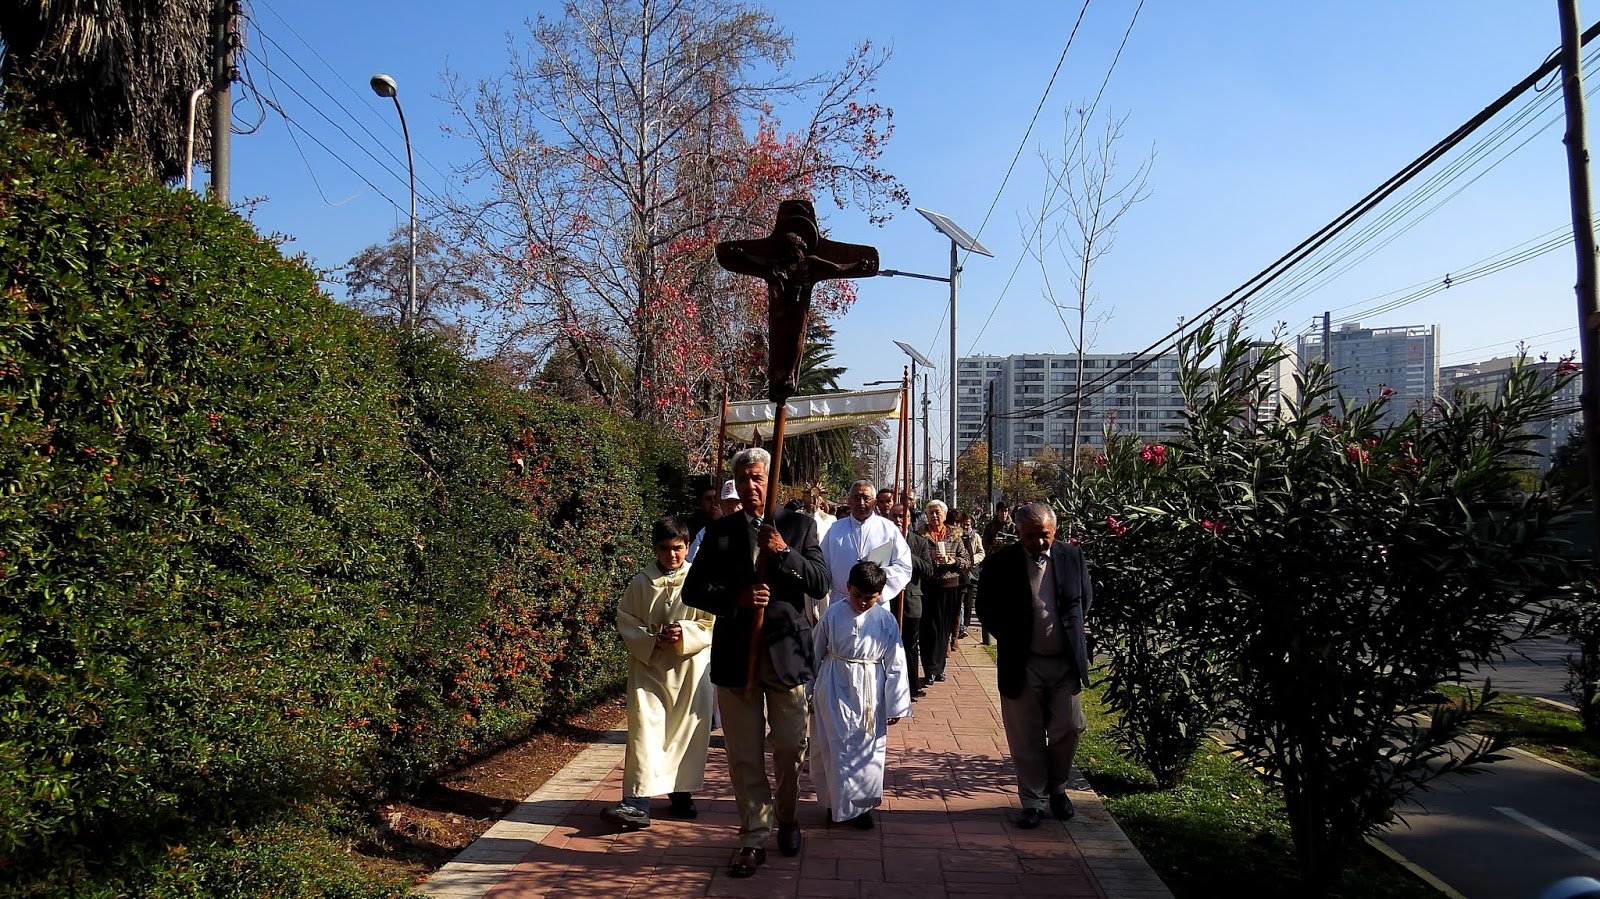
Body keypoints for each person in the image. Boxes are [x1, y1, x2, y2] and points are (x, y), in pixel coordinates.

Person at [682, 447, 829, 879]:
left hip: (786, 655)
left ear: (771, 479)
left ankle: (788, 815)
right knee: (744, 754)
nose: (751, 486)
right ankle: (753, 836)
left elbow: (820, 583)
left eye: (758, 477)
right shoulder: (720, 531)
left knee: (790, 746)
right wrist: (736, 599)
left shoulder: (798, 525)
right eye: (744, 478)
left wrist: (783, 552)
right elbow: (694, 590)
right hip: (736, 658)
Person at [976, 502, 1093, 829]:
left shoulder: (1072, 556)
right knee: (1025, 736)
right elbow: (986, 607)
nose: (1039, 542)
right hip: (1023, 663)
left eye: (1044, 535)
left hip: (1064, 662)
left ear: (1054, 530)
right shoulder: (1000, 562)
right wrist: (1013, 637)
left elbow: (1085, 599)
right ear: (1018, 533)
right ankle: (1033, 800)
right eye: (1030, 536)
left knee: (1069, 726)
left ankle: (1058, 788)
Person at [601, 517, 715, 831]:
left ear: (687, 547)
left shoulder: (701, 580)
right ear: (654, 549)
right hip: (649, 670)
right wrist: (651, 639)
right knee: (645, 733)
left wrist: (685, 632)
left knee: (683, 734)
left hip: (688, 671)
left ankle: (681, 793)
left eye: (677, 548)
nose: (671, 555)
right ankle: (636, 802)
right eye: (664, 548)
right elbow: (626, 620)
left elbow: (711, 623)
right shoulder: (641, 582)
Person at [809, 561, 912, 830]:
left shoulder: (885, 620)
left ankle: (861, 806)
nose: (863, 602)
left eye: (871, 597)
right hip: (834, 685)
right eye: (857, 595)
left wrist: (895, 704)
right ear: (848, 587)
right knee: (834, 747)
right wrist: (808, 691)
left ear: (880, 594)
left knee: (868, 750)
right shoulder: (833, 614)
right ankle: (834, 804)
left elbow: (896, 662)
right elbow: (815, 652)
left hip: (870, 691)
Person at [818, 480, 912, 622]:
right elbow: (822, 566)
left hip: (875, 604)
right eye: (857, 497)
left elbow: (904, 566)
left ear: (874, 502)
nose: (861, 503)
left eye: (866, 498)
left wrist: (875, 579)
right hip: (841, 603)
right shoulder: (835, 529)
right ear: (849, 501)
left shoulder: (888, 529)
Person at [917, 500, 970, 687]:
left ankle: (940, 668)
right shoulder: (920, 535)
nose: (934, 516)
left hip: (949, 586)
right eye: (931, 512)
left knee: (944, 628)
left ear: (945, 515)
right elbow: (914, 558)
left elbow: (966, 560)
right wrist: (929, 558)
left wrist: (952, 560)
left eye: (938, 512)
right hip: (928, 586)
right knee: (928, 628)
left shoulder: (954, 535)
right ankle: (929, 669)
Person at [891, 503, 935, 699]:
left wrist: (907, 554)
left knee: (910, 644)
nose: (898, 520)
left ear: (909, 519)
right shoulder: (883, 539)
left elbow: (928, 569)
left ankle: (911, 684)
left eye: (902, 516)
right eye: (895, 516)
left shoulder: (919, 542)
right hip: (888, 600)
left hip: (911, 601)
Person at [687, 479, 742, 563]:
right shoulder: (706, 531)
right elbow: (692, 559)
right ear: (720, 503)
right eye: (728, 501)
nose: (732, 505)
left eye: (736, 501)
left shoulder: (751, 527)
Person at [955, 511, 986, 641]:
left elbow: (981, 552)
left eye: (968, 525)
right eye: (964, 524)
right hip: (960, 571)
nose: (966, 527)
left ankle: (965, 625)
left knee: (968, 600)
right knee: (960, 601)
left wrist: (974, 560)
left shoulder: (975, 536)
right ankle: (959, 627)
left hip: (972, 571)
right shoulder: (957, 535)